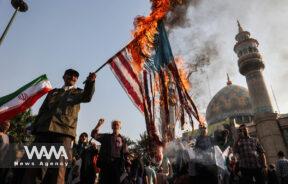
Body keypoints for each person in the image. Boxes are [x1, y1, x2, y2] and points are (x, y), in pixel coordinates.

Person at [22, 69, 96, 184]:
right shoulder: (53, 92)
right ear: (64, 76)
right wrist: (34, 126)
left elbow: (87, 96)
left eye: (75, 76)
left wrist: (90, 82)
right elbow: (42, 110)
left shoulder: (79, 92)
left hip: (64, 133)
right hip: (44, 131)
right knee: (34, 168)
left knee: (58, 170)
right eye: (69, 75)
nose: (72, 77)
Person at [91, 118, 128, 184]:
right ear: (112, 127)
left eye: (117, 124)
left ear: (120, 127)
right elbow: (94, 135)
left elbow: (125, 153)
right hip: (105, 164)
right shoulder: (106, 137)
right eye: (114, 124)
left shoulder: (123, 139)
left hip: (117, 166)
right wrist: (98, 125)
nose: (115, 126)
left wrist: (127, 164)